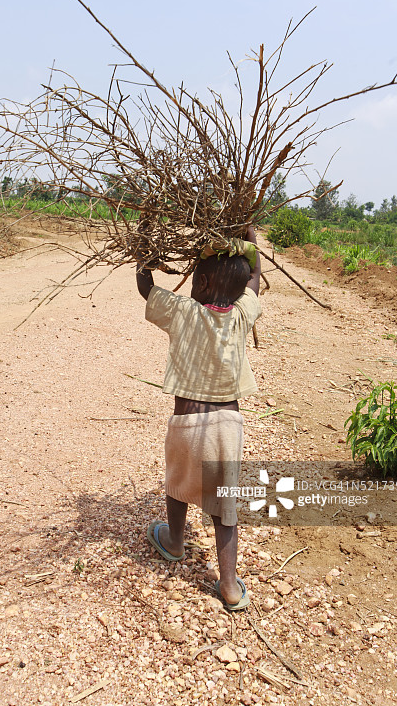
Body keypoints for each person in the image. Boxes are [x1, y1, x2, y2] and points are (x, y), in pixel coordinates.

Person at [136, 226, 262, 610]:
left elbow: (145, 288)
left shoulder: (183, 311)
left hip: (186, 425)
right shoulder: (242, 314)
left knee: (177, 486)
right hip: (227, 428)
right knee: (225, 507)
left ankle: (174, 542)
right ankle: (228, 586)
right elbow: (254, 280)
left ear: (202, 282)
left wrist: (143, 248)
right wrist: (250, 241)